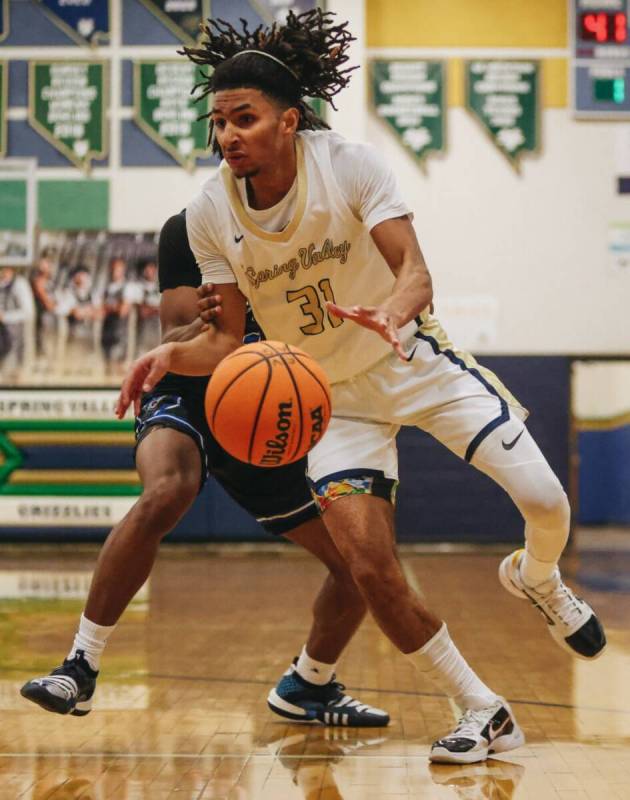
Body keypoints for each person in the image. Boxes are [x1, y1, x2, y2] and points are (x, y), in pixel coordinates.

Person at [116, 10, 607, 764]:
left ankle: (536, 577)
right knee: (372, 571)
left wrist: (394, 311)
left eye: (243, 119)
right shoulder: (210, 211)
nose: (227, 136)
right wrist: (164, 361)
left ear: (288, 121)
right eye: (218, 123)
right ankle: (483, 709)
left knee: (547, 504)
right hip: (330, 400)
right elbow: (221, 338)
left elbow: (416, 271)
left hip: (410, 363)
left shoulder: (349, 164)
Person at [19, 208, 389, 730]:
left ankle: (310, 683)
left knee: (360, 567)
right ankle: (80, 665)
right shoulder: (188, 229)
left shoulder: (316, 236)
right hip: (187, 390)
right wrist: (212, 322)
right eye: (224, 126)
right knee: (170, 489)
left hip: (265, 412)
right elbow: (174, 334)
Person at [100, 256, 132, 373]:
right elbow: (101, 309)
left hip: (119, 333)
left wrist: (108, 308)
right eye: (113, 269)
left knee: (119, 367)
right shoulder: (107, 288)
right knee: (107, 365)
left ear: (123, 270)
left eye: (118, 269)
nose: (114, 272)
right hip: (106, 330)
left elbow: (122, 311)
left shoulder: (128, 287)